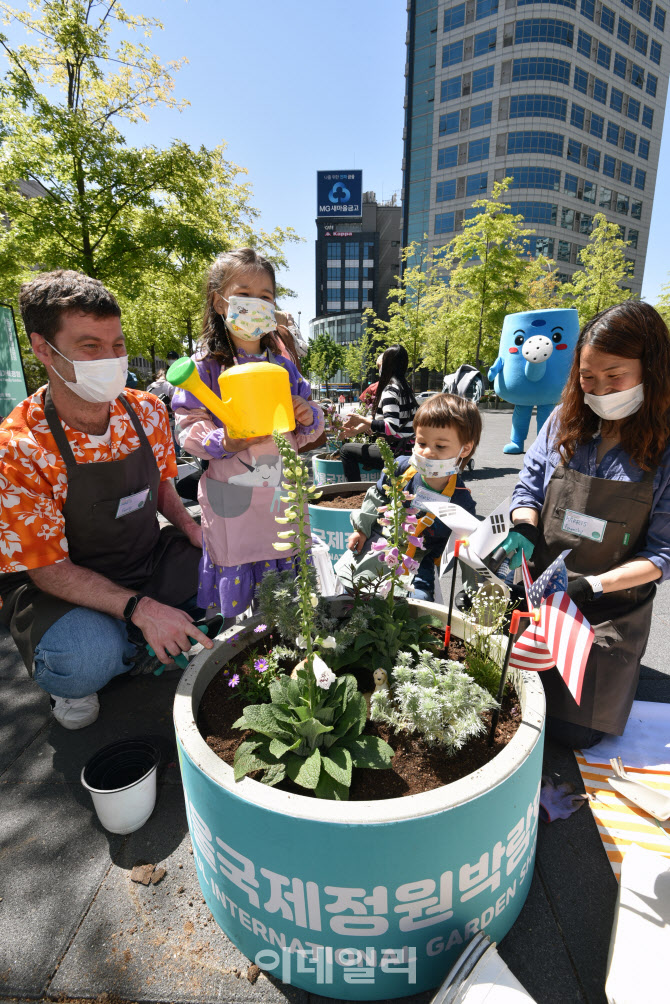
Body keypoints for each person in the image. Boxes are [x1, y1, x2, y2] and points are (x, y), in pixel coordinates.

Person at [0, 270, 212, 730]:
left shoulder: (147, 410)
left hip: (145, 560)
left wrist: (191, 528)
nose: (111, 359)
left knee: (231, 572)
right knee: (81, 658)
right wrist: (142, 609)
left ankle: (135, 638)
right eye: (90, 346)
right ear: (43, 349)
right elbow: (47, 569)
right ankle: (102, 660)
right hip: (62, 591)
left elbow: (161, 489)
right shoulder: (19, 446)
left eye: (117, 345)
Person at [501, 300, 670, 748]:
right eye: (588, 378)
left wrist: (592, 586)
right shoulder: (564, 420)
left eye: (616, 377)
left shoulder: (665, 447)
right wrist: (524, 527)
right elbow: (528, 489)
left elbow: (662, 554)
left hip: (610, 604)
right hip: (542, 589)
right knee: (504, 698)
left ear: (652, 370)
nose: (600, 390)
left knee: (570, 731)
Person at [171, 248, 324, 619]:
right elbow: (187, 426)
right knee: (240, 608)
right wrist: (225, 441)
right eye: (244, 295)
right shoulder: (203, 367)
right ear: (219, 302)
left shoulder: (284, 365)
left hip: (281, 498)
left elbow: (308, 426)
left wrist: (306, 415)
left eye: (265, 297)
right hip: (234, 507)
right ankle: (246, 659)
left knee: (287, 602)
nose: (255, 305)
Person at [346, 393, 481, 601]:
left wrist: (474, 593)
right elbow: (377, 497)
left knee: (417, 599)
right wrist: (362, 530)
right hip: (383, 541)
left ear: (465, 449)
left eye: (440, 446)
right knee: (354, 586)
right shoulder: (402, 468)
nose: (427, 452)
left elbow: (468, 547)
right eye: (421, 442)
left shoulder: (461, 500)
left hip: (419, 559)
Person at [339, 345, 418, 481]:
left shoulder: (390, 390)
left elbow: (390, 427)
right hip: (408, 449)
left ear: (387, 365)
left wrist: (360, 420)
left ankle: (354, 491)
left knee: (346, 450)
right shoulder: (405, 388)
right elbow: (376, 418)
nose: (379, 369)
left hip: (395, 451)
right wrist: (355, 431)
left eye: (380, 365)